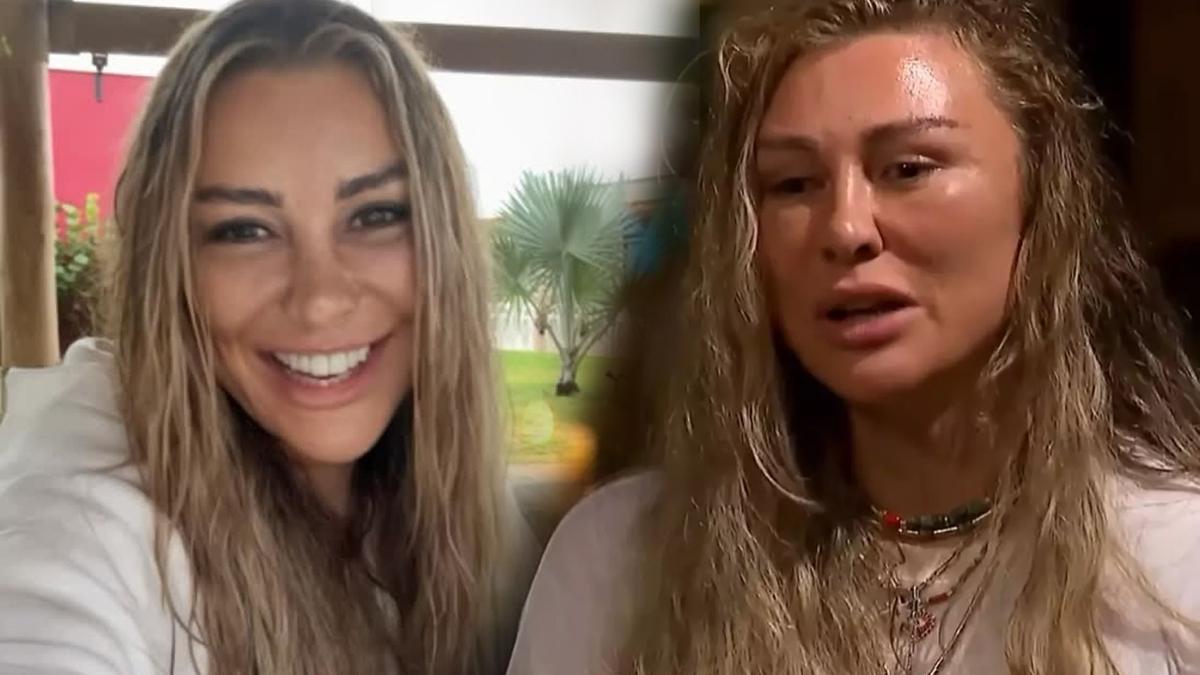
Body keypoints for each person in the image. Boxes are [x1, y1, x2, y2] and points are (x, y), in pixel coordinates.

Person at [507, 1, 1200, 673]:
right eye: (794, 183)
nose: (845, 227)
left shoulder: (1175, 573)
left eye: (908, 168)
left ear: (1041, 196)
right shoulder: (624, 564)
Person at [0, 0, 534, 673]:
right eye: (244, 230)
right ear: (169, 266)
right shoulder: (85, 505)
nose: (319, 298)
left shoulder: (455, 483)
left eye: (374, 215)